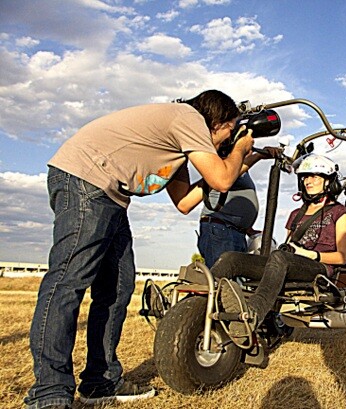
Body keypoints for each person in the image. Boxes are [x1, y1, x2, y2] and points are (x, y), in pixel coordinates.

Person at [25, 90, 254, 409]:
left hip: (109, 196)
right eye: (231, 129)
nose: (230, 138)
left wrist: (245, 160)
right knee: (67, 283)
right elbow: (221, 178)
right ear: (219, 120)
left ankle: (100, 381)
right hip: (87, 180)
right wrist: (242, 148)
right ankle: (48, 392)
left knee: (117, 289)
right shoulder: (187, 118)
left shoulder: (177, 146)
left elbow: (186, 202)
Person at [210, 154, 346, 343]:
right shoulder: (295, 214)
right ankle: (201, 301)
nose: (308, 181)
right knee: (231, 258)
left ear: (329, 182)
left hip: (320, 269)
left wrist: (311, 254)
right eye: (305, 177)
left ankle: (252, 314)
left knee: (279, 258)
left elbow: (342, 257)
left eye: (315, 176)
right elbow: (289, 246)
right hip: (290, 263)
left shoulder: (339, 213)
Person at [197, 147, 281, 269]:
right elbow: (226, 178)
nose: (250, 150)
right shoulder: (226, 165)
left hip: (233, 231)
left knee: (235, 278)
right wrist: (259, 156)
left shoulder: (239, 169)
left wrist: (248, 229)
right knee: (222, 276)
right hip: (221, 229)